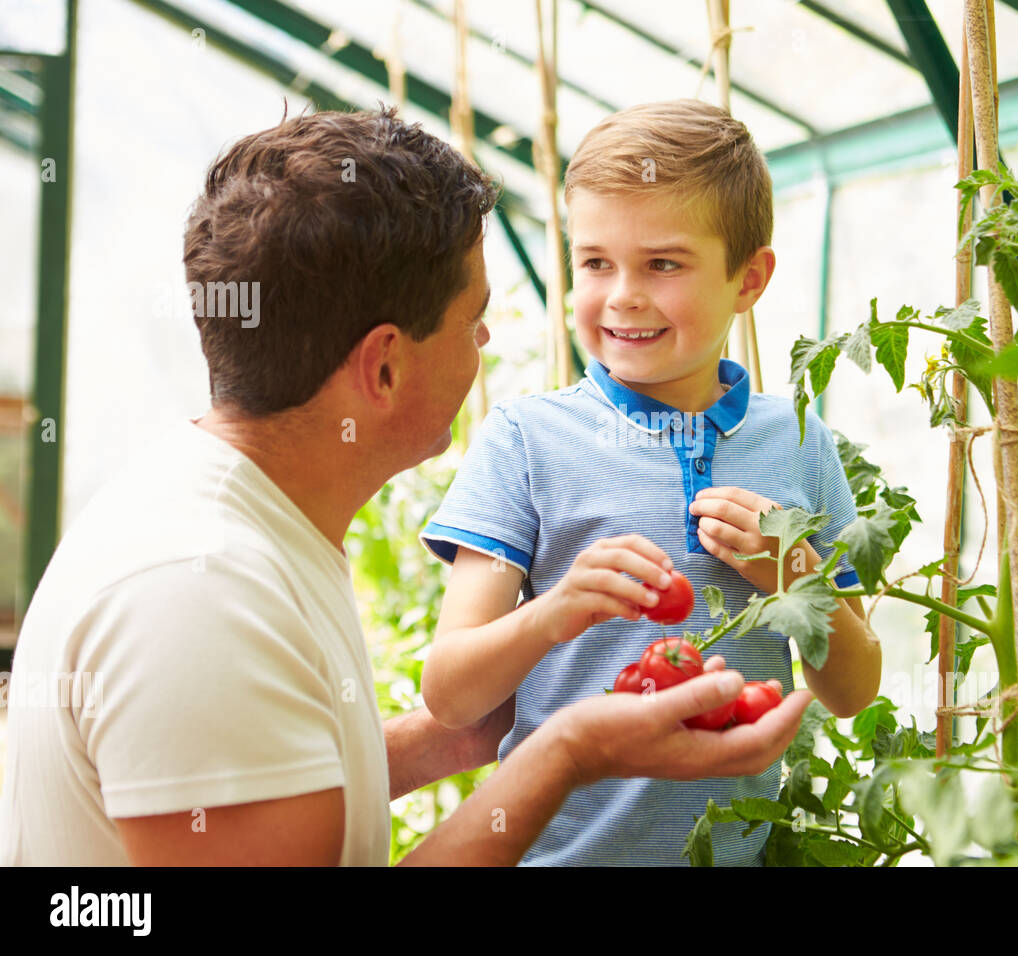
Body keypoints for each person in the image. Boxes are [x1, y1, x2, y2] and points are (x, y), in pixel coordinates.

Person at [0, 106, 814, 867]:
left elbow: (277, 778)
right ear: (384, 366)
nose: (487, 340)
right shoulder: (195, 596)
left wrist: (456, 739)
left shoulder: (238, 525)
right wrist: (569, 756)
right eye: (472, 319)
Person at [419, 100, 883, 866]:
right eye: (596, 262)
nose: (623, 295)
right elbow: (451, 693)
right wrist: (557, 611)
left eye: (662, 264)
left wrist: (799, 582)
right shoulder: (526, 440)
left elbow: (853, 689)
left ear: (750, 279)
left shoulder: (800, 443)